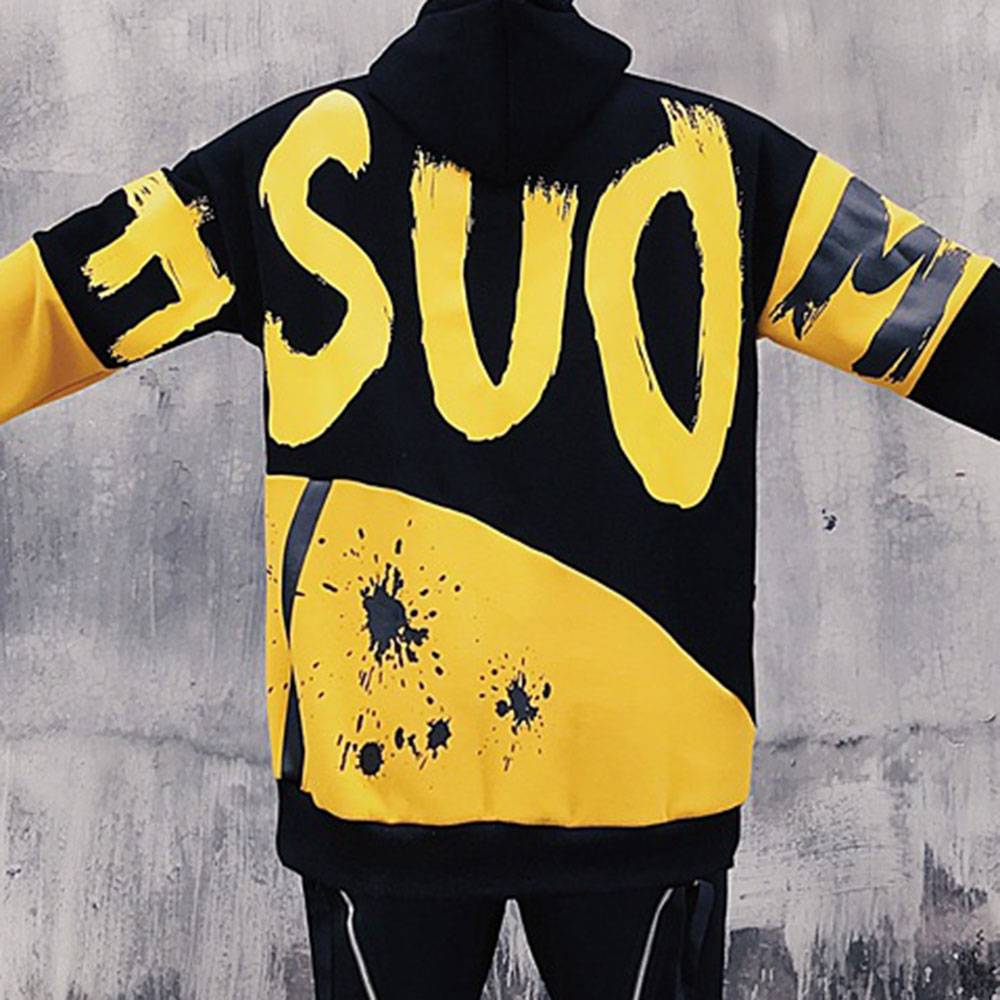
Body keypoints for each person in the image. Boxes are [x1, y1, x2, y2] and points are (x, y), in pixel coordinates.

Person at [2, 0, 997, 996]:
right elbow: (944, 315)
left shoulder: (287, 159)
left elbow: (59, 298)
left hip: (384, 759)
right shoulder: (721, 157)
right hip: (643, 762)